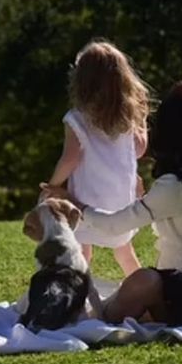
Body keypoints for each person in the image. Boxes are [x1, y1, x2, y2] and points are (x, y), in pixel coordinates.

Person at [41, 81, 182, 323]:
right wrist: (145, 199)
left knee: (141, 281)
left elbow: (114, 225)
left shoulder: (175, 186)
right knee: (136, 283)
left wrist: (75, 203)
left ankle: (96, 316)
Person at [44, 40, 149, 277]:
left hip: (85, 198)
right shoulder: (126, 118)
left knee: (82, 252)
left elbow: (71, 158)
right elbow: (140, 150)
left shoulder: (76, 118)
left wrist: (54, 184)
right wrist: (141, 121)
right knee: (124, 251)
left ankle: (76, 295)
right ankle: (148, 295)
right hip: (121, 200)